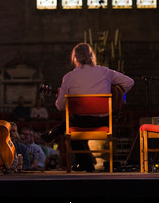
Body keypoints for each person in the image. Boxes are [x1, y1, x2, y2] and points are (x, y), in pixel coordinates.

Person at [53, 42, 134, 172]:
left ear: (75, 58)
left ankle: (87, 165)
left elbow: (60, 107)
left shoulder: (69, 77)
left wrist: (60, 95)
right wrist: (117, 93)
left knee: (70, 130)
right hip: (104, 121)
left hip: (81, 123)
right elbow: (130, 82)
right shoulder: (105, 71)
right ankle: (92, 165)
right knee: (70, 124)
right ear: (92, 56)